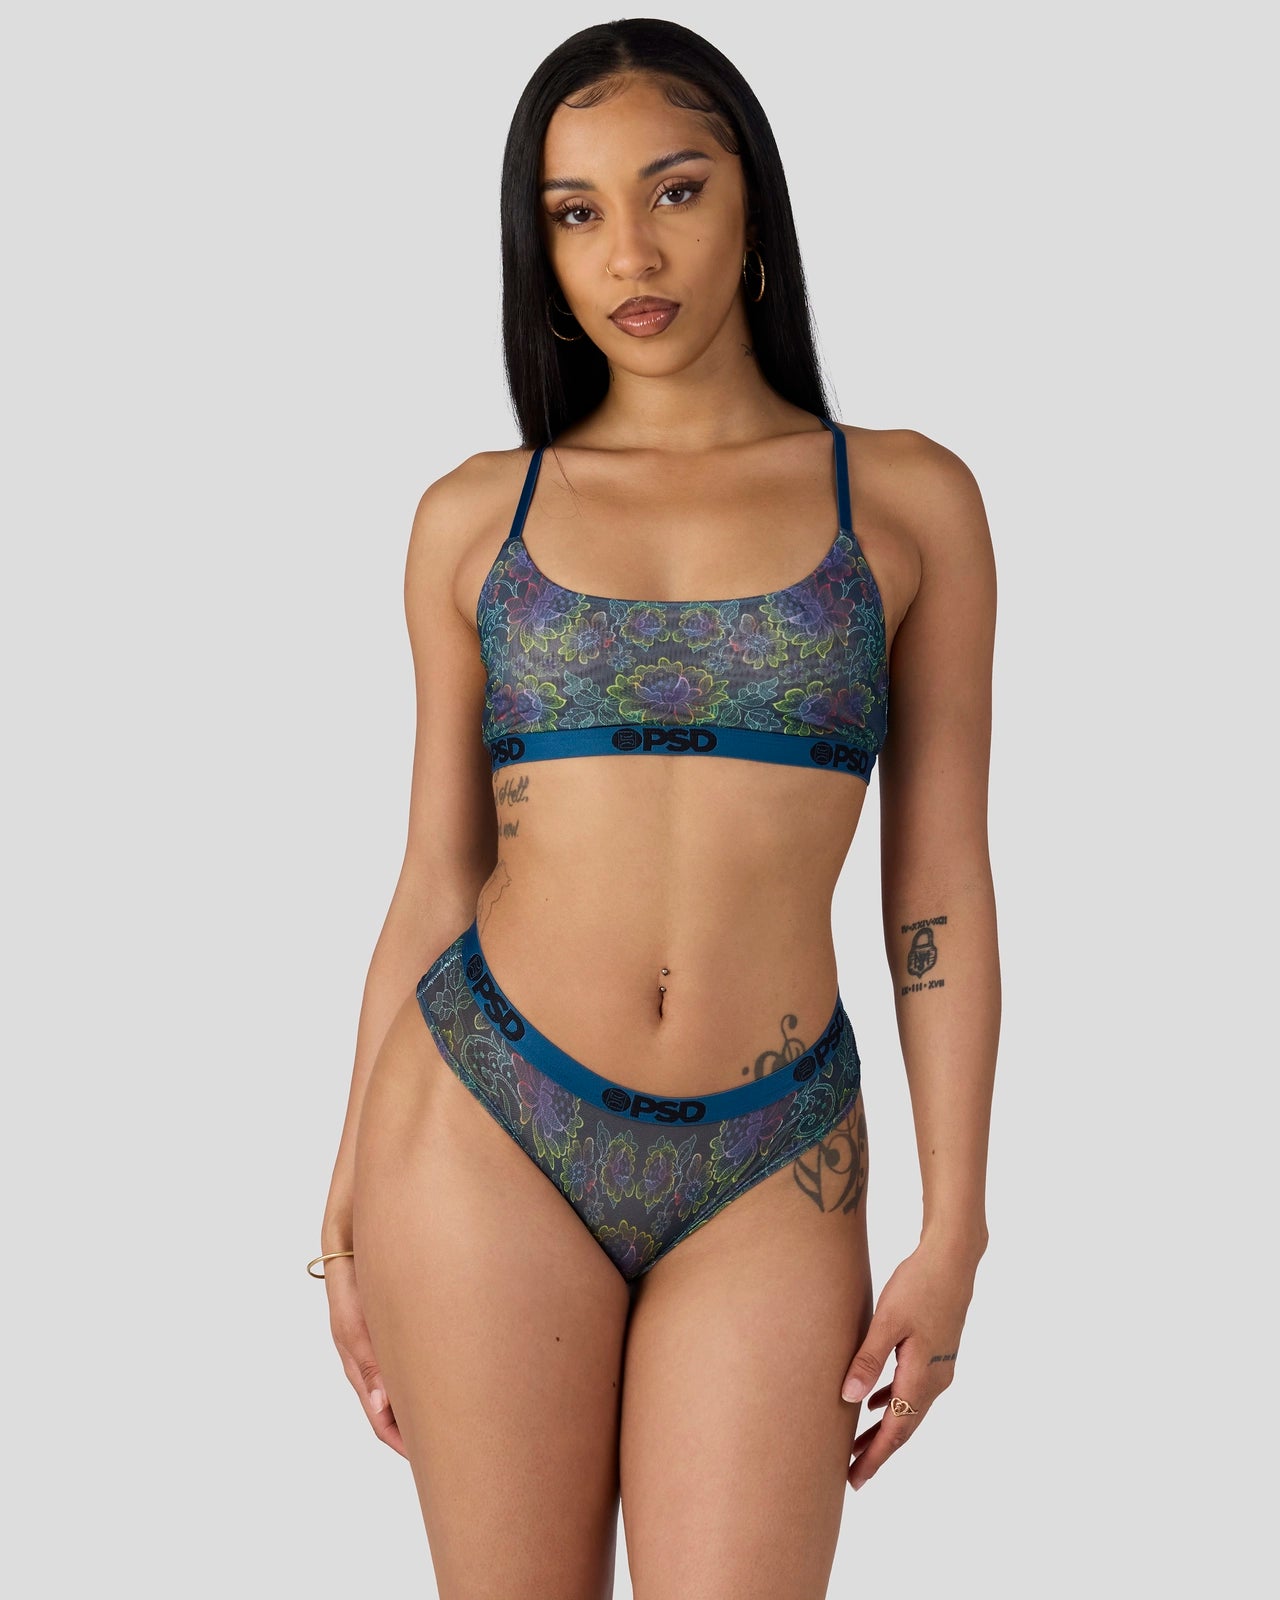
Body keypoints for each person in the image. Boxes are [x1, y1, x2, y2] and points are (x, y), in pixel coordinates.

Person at [309, 17, 1000, 1599]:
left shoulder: (908, 502)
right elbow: (437, 873)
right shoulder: (475, 518)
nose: (630, 251)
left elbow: (939, 883)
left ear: (753, 202)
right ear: (538, 248)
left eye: (674, 190)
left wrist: (957, 1224)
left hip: (774, 1156)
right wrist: (343, 1199)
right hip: (485, 1124)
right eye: (575, 212)